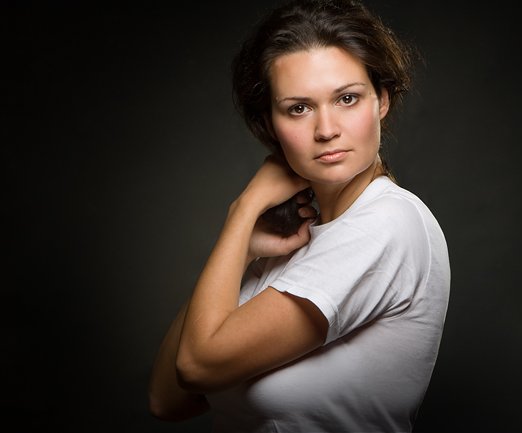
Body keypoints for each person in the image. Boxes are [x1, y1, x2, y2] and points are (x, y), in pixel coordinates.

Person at [148, 0, 451, 431]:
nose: (326, 129)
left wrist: (243, 209)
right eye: (299, 108)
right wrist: (244, 249)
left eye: (347, 98)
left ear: (381, 100)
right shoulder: (288, 243)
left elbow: (198, 366)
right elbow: (167, 399)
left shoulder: (387, 223)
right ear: (270, 123)